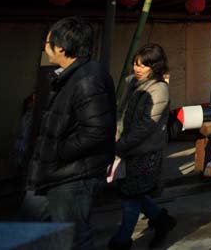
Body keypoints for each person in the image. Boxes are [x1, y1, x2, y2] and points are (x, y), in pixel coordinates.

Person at [28, 17, 115, 250]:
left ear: (61, 48)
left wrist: (59, 151)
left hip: (73, 176)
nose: (44, 47)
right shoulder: (74, 74)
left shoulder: (87, 78)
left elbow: (97, 130)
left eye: (47, 42)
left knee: (74, 238)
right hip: (56, 173)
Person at [109, 44, 176, 250]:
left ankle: (122, 240)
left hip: (146, 151)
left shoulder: (159, 88)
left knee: (131, 196)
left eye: (143, 65)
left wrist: (120, 145)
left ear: (154, 66)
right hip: (126, 147)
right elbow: (121, 113)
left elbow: (147, 126)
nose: (137, 69)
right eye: (136, 64)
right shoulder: (132, 83)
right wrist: (116, 138)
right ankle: (161, 220)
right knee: (133, 193)